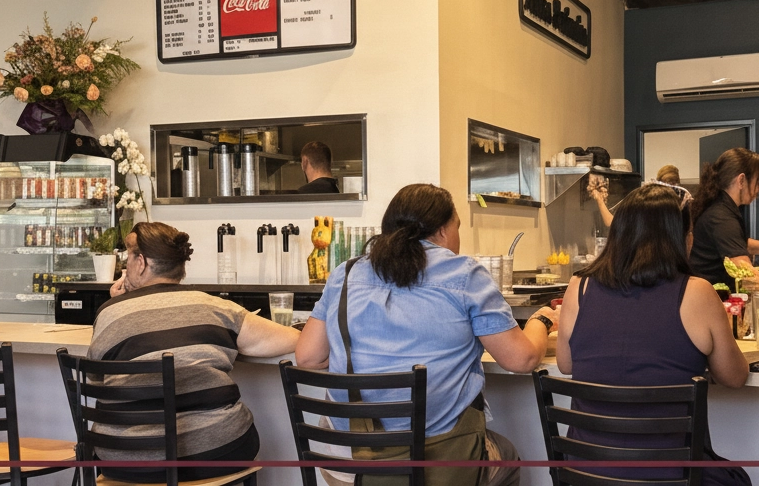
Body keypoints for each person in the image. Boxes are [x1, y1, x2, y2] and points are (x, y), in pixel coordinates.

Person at [294, 183, 555, 486]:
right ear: (443, 230)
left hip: (349, 467)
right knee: (507, 456)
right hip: (437, 467)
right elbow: (521, 360)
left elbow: (308, 357)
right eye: (458, 226)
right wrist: (541, 322)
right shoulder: (464, 274)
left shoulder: (347, 272)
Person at [556, 183, 751, 485]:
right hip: (673, 476)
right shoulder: (697, 292)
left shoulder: (578, 287)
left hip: (587, 474)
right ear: (683, 239)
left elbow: (566, 365)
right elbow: (734, 377)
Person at [87, 222, 301, 482]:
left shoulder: (109, 314)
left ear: (141, 263)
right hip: (213, 454)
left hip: (123, 461)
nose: (126, 266)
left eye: (128, 257)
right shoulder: (216, 308)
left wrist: (117, 305)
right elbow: (292, 339)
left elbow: (96, 382)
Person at [687, 148, 759, 296]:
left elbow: (736, 244)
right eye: (758, 182)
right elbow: (745, 271)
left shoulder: (721, 208)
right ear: (741, 180)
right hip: (712, 300)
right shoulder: (722, 218)